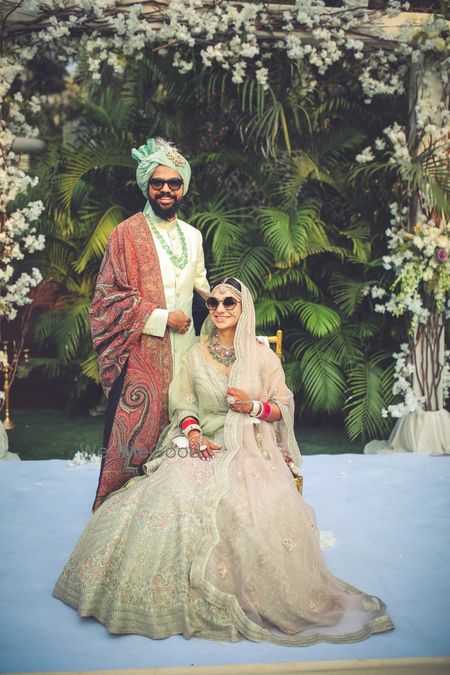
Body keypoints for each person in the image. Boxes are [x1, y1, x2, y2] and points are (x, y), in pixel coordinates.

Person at [54, 277, 393, 645]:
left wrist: (252, 406)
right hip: (204, 442)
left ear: (243, 308)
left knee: (246, 504)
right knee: (170, 490)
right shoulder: (196, 354)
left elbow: (284, 405)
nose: (218, 309)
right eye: (213, 303)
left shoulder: (263, 357)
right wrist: (195, 434)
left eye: (228, 303)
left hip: (250, 445)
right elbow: (182, 402)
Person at [89, 137, 210, 511]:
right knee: (139, 437)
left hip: (187, 352)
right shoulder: (126, 233)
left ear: (183, 187)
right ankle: (128, 517)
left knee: (186, 427)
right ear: (147, 186)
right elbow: (106, 298)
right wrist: (160, 317)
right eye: (158, 182)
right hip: (141, 354)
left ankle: (180, 514)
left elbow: (204, 287)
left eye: (174, 183)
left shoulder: (194, 236)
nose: (166, 190)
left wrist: (233, 306)